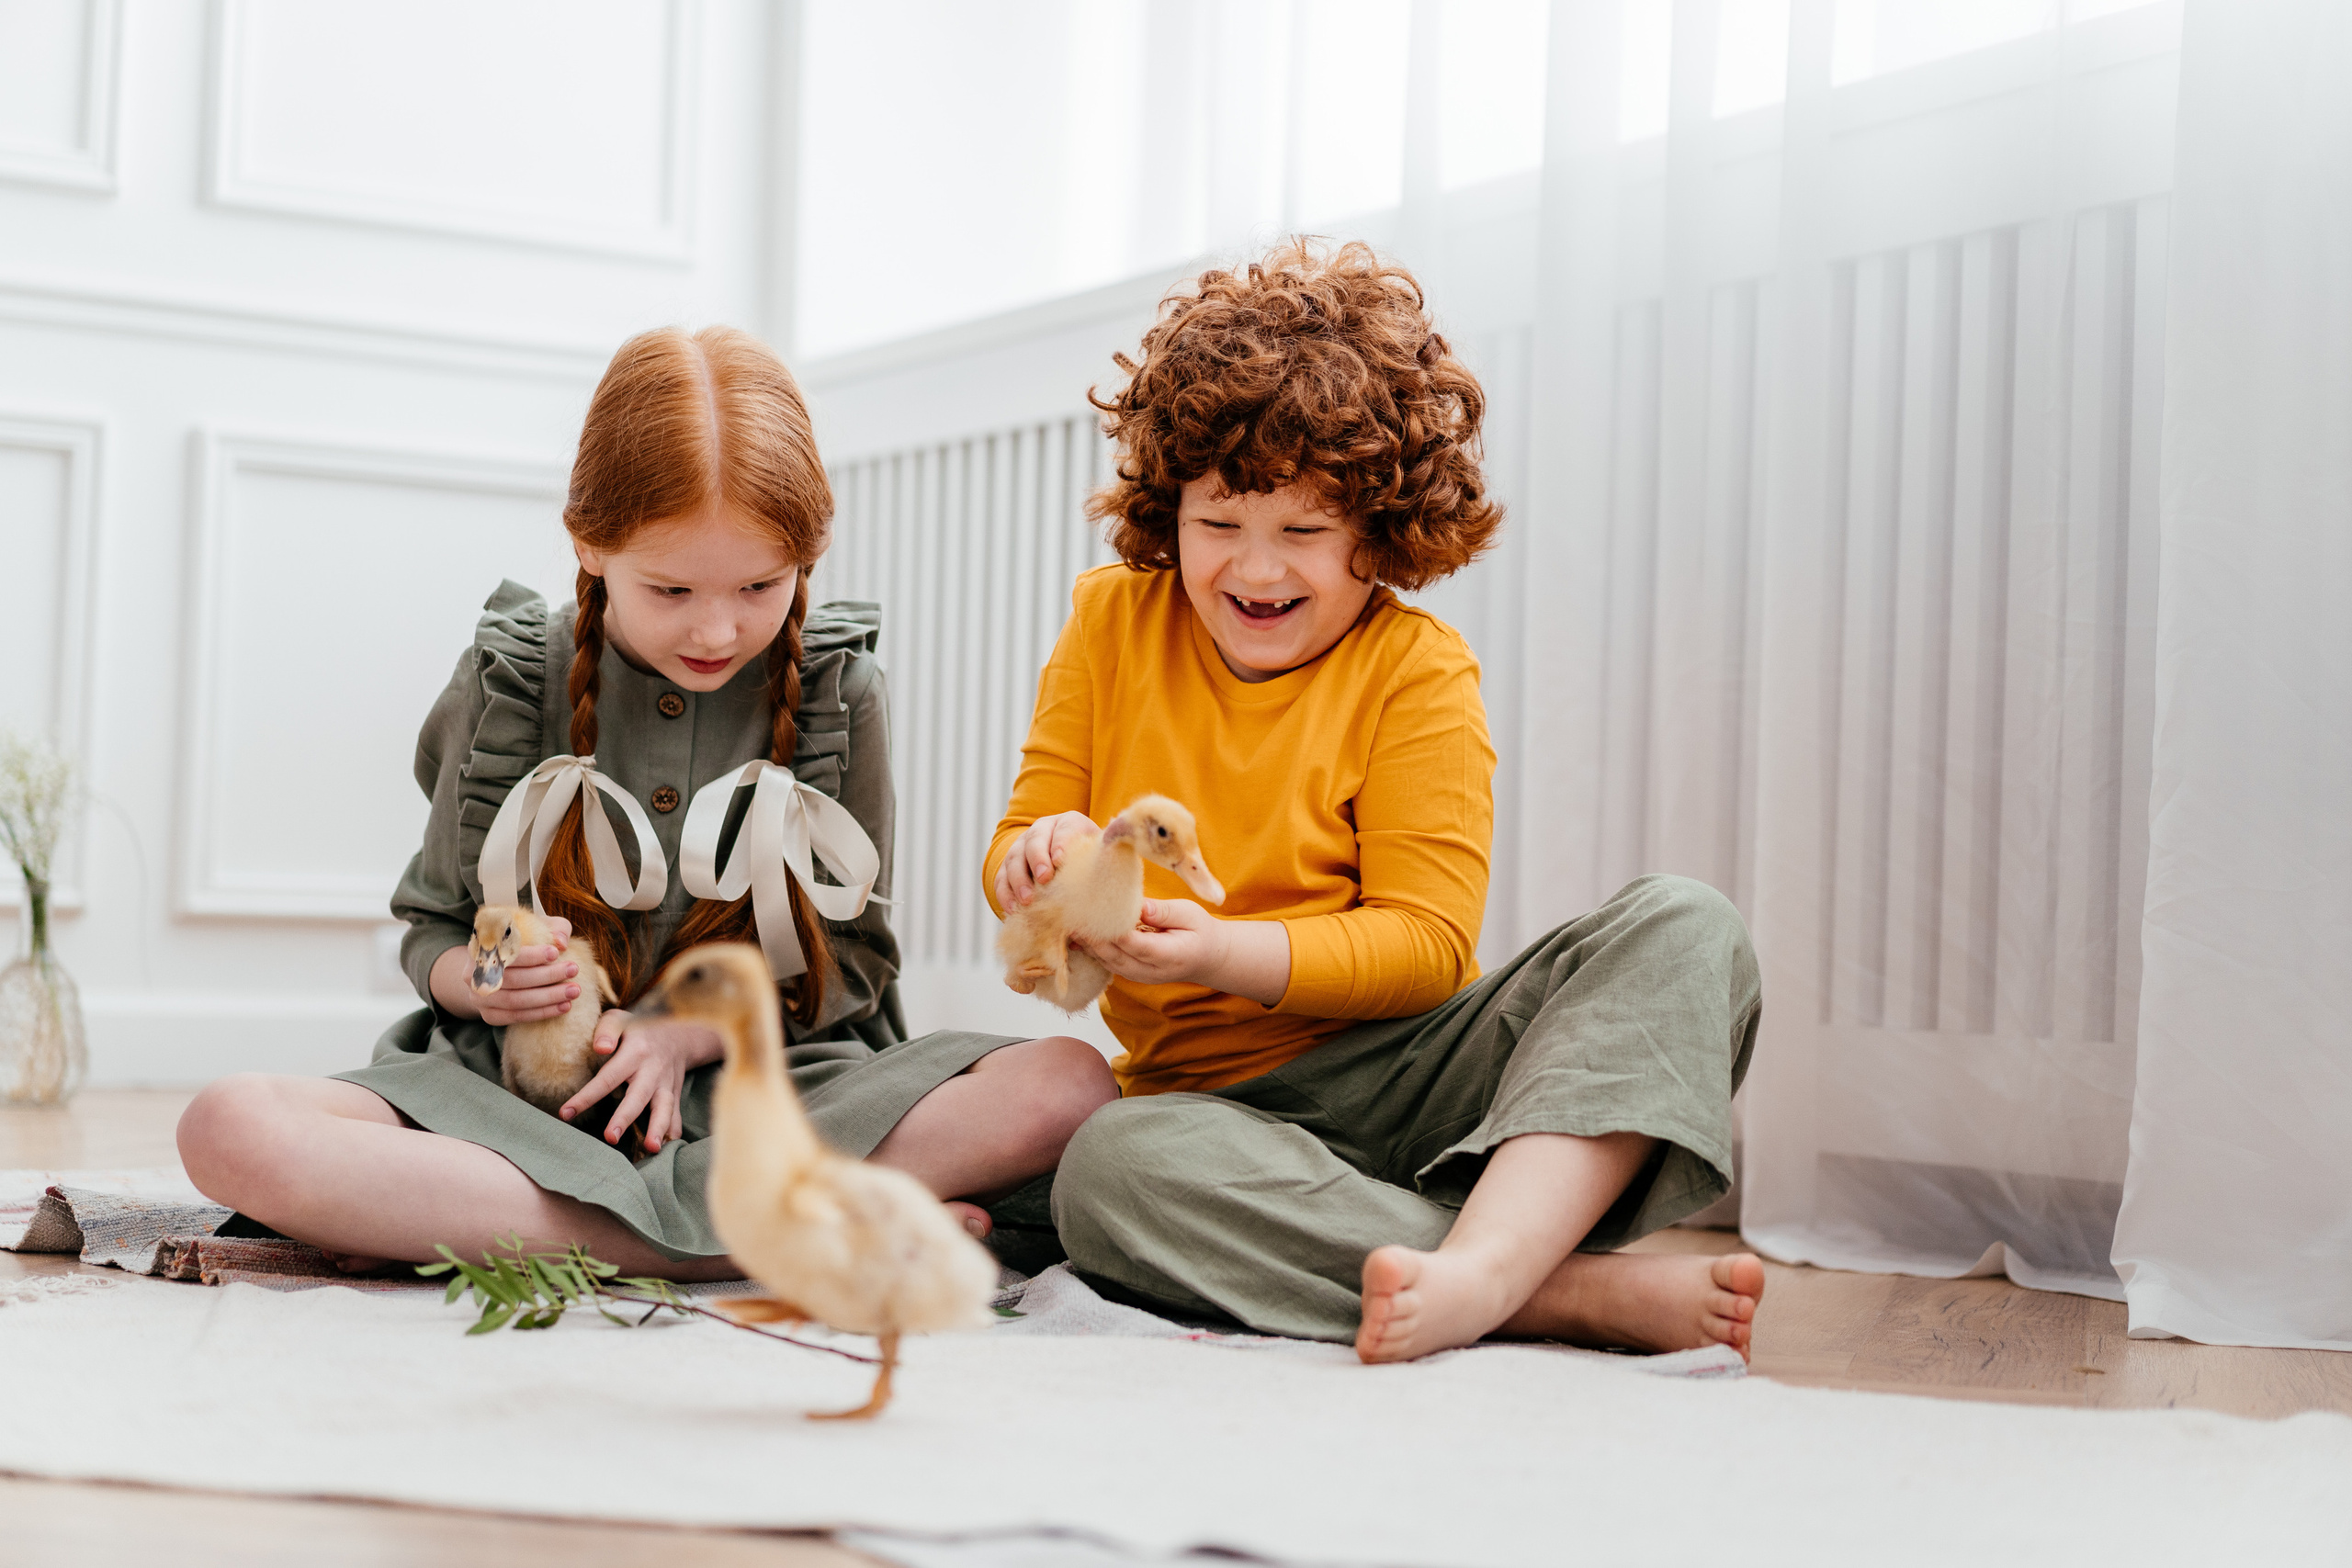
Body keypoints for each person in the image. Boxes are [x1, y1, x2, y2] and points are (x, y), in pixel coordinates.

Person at [175, 326, 1114, 1276]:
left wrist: (689, 1035)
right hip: (517, 1104)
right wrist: (492, 986)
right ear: (589, 543)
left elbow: (856, 964)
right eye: (670, 589)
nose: (718, 627)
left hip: (780, 1086)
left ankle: (592, 1236)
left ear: (809, 554)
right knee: (230, 1126)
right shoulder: (509, 680)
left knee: (1067, 1086)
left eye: (760, 586)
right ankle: (756, 1233)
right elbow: (434, 932)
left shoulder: (840, 691)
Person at [990, 239, 1766, 1361]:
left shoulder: (1417, 671)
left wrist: (1224, 953)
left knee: (1687, 925)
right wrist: (1031, 858)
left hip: (1419, 1080)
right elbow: (1026, 831)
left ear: (1380, 530)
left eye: (1303, 532)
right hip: (1212, 1119)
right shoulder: (1110, 620)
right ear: (1171, 511)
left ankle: (1484, 1266)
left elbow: (1425, 948)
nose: (1256, 571)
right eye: (1218, 526)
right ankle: (1556, 1292)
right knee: (1109, 1170)